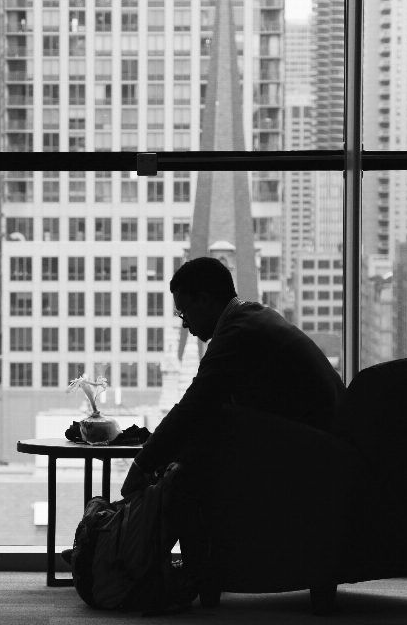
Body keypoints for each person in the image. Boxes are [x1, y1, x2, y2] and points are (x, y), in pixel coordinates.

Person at [117, 256, 346, 606]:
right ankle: (138, 554)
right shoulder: (250, 319)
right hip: (316, 444)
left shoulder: (238, 333)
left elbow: (194, 405)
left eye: (184, 313)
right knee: (198, 441)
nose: (184, 325)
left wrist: (142, 465)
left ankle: (133, 556)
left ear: (205, 300)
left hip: (309, 453)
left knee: (191, 455)